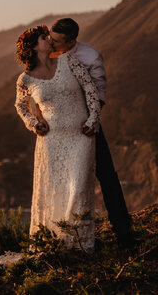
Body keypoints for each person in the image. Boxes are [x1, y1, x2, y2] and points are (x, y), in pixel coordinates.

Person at [14, 24, 102, 252]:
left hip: (81, 135)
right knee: (57, 190)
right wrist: (34, 123)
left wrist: (93, 119)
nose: (49, 40)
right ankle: (57, 243)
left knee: (79, 188)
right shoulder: (25, 80)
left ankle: (81, 245)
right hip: (51, 142)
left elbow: (91, 89)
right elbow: (21, 106)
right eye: (44, 38)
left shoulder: (68, 61)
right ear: (33, 47)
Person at [48, 17, 135, 246]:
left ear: (71, 40)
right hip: (58, 129)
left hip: (86, 124)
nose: (51, 43)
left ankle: (123, 231)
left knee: (106, 175)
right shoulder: (46, 54)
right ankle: (65, 235)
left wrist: (91, 121)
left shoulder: (90, 56)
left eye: (56, 41)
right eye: (50, 37)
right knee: (62, 181)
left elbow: (99, 93)